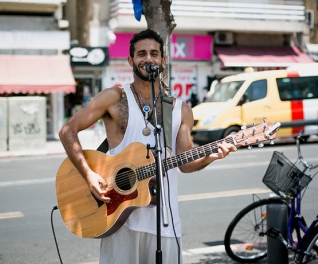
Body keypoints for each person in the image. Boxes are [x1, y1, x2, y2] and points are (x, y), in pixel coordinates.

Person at [59, 29, 237, 264]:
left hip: (165, 222)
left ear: (163, 60)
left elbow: (185, 162)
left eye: (154, 53)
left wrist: (210, 156)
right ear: (131, 60)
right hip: (119, 220)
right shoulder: (114, 98)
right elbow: (67, 130)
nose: (148, 59)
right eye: (141, 53)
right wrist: (89, 175)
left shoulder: (180, 110)